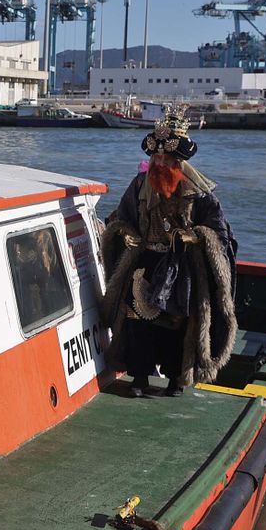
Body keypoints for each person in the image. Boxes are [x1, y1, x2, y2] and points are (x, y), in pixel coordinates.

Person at [100, 110, 237, 397]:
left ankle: (176, 379)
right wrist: (123, 232)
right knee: (137, 320)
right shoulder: (140, 185)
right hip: (146, 261)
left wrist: (195, 236)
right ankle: (139, 378)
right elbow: (121, 217)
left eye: (166, 159)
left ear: (178, 162)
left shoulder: (200, 194)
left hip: (180, 267)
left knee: (177, 324)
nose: (160, 163)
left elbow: (220, 234)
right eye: (156, 158)